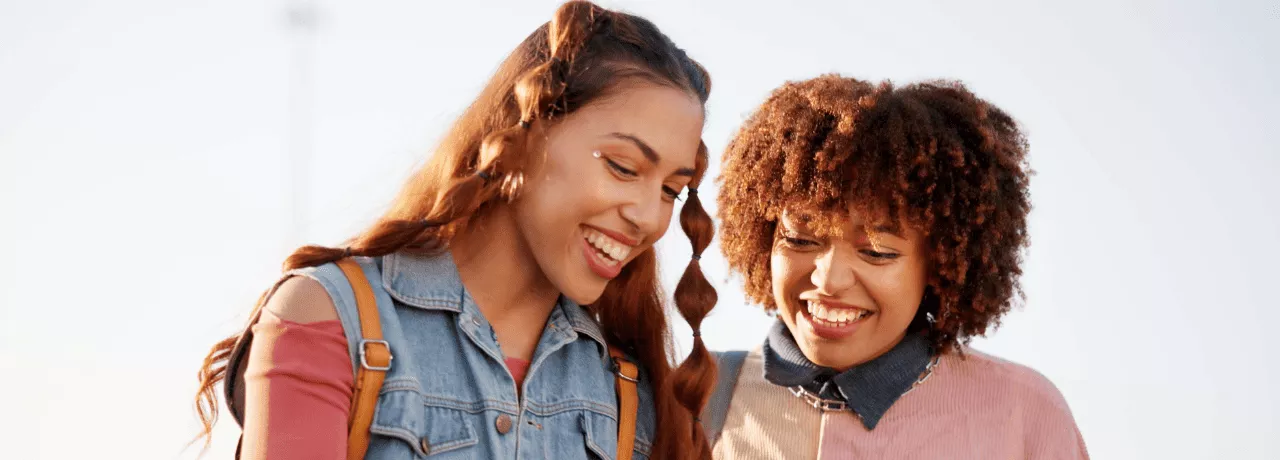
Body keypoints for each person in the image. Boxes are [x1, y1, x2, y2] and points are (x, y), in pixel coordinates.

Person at [193, 2, 719, 458]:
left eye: (672, 190)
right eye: (623, 168)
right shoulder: (331, 316)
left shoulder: (628, 392)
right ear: (524, 133)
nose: (651, 218)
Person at [704, 75, 1089, 459]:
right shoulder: (691, 398)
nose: (829, 280)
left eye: (876, 251)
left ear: (939, 264)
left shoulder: (1024, 417)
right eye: (801, 240)